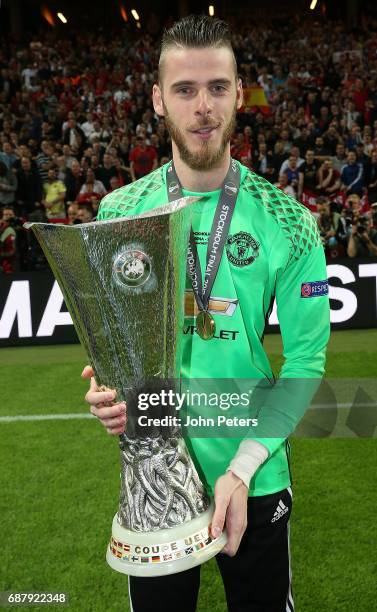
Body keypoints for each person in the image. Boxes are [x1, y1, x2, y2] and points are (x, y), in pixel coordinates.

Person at [82, 15, 330, 612]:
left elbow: (305, 360)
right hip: (157, 481)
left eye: (217, 87)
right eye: (185, 89)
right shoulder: (119, 213)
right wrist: (111, 396)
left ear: (238, 93)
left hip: (254, 476)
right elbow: (117, 352)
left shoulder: (290, 223)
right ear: (158, 99)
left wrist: (242, 470)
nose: (203, 107)